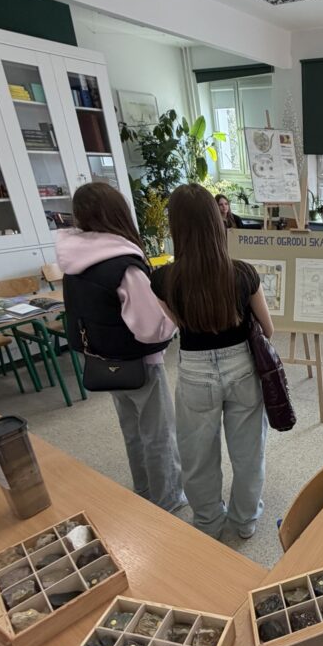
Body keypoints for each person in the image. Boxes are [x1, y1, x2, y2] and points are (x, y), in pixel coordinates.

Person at [151, 184, 273, 542]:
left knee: (197, 455)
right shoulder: (243, 273)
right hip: (242, 367)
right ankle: (245, 520)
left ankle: (207, 522)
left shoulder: (162, 278)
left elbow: (178, 323)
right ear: (216, 221)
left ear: (176, 228)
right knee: (248, 452)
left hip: (194, 369)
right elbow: (267, 329)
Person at [57, 181, 185, 514]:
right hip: (139, 362)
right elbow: (151, 327)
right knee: (158, 433)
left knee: (132, 429)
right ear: (118, 213)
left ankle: (143, 489)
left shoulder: (73, 261)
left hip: (103, 361)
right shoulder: (124, 265)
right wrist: (174, 316)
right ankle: (168, 499)